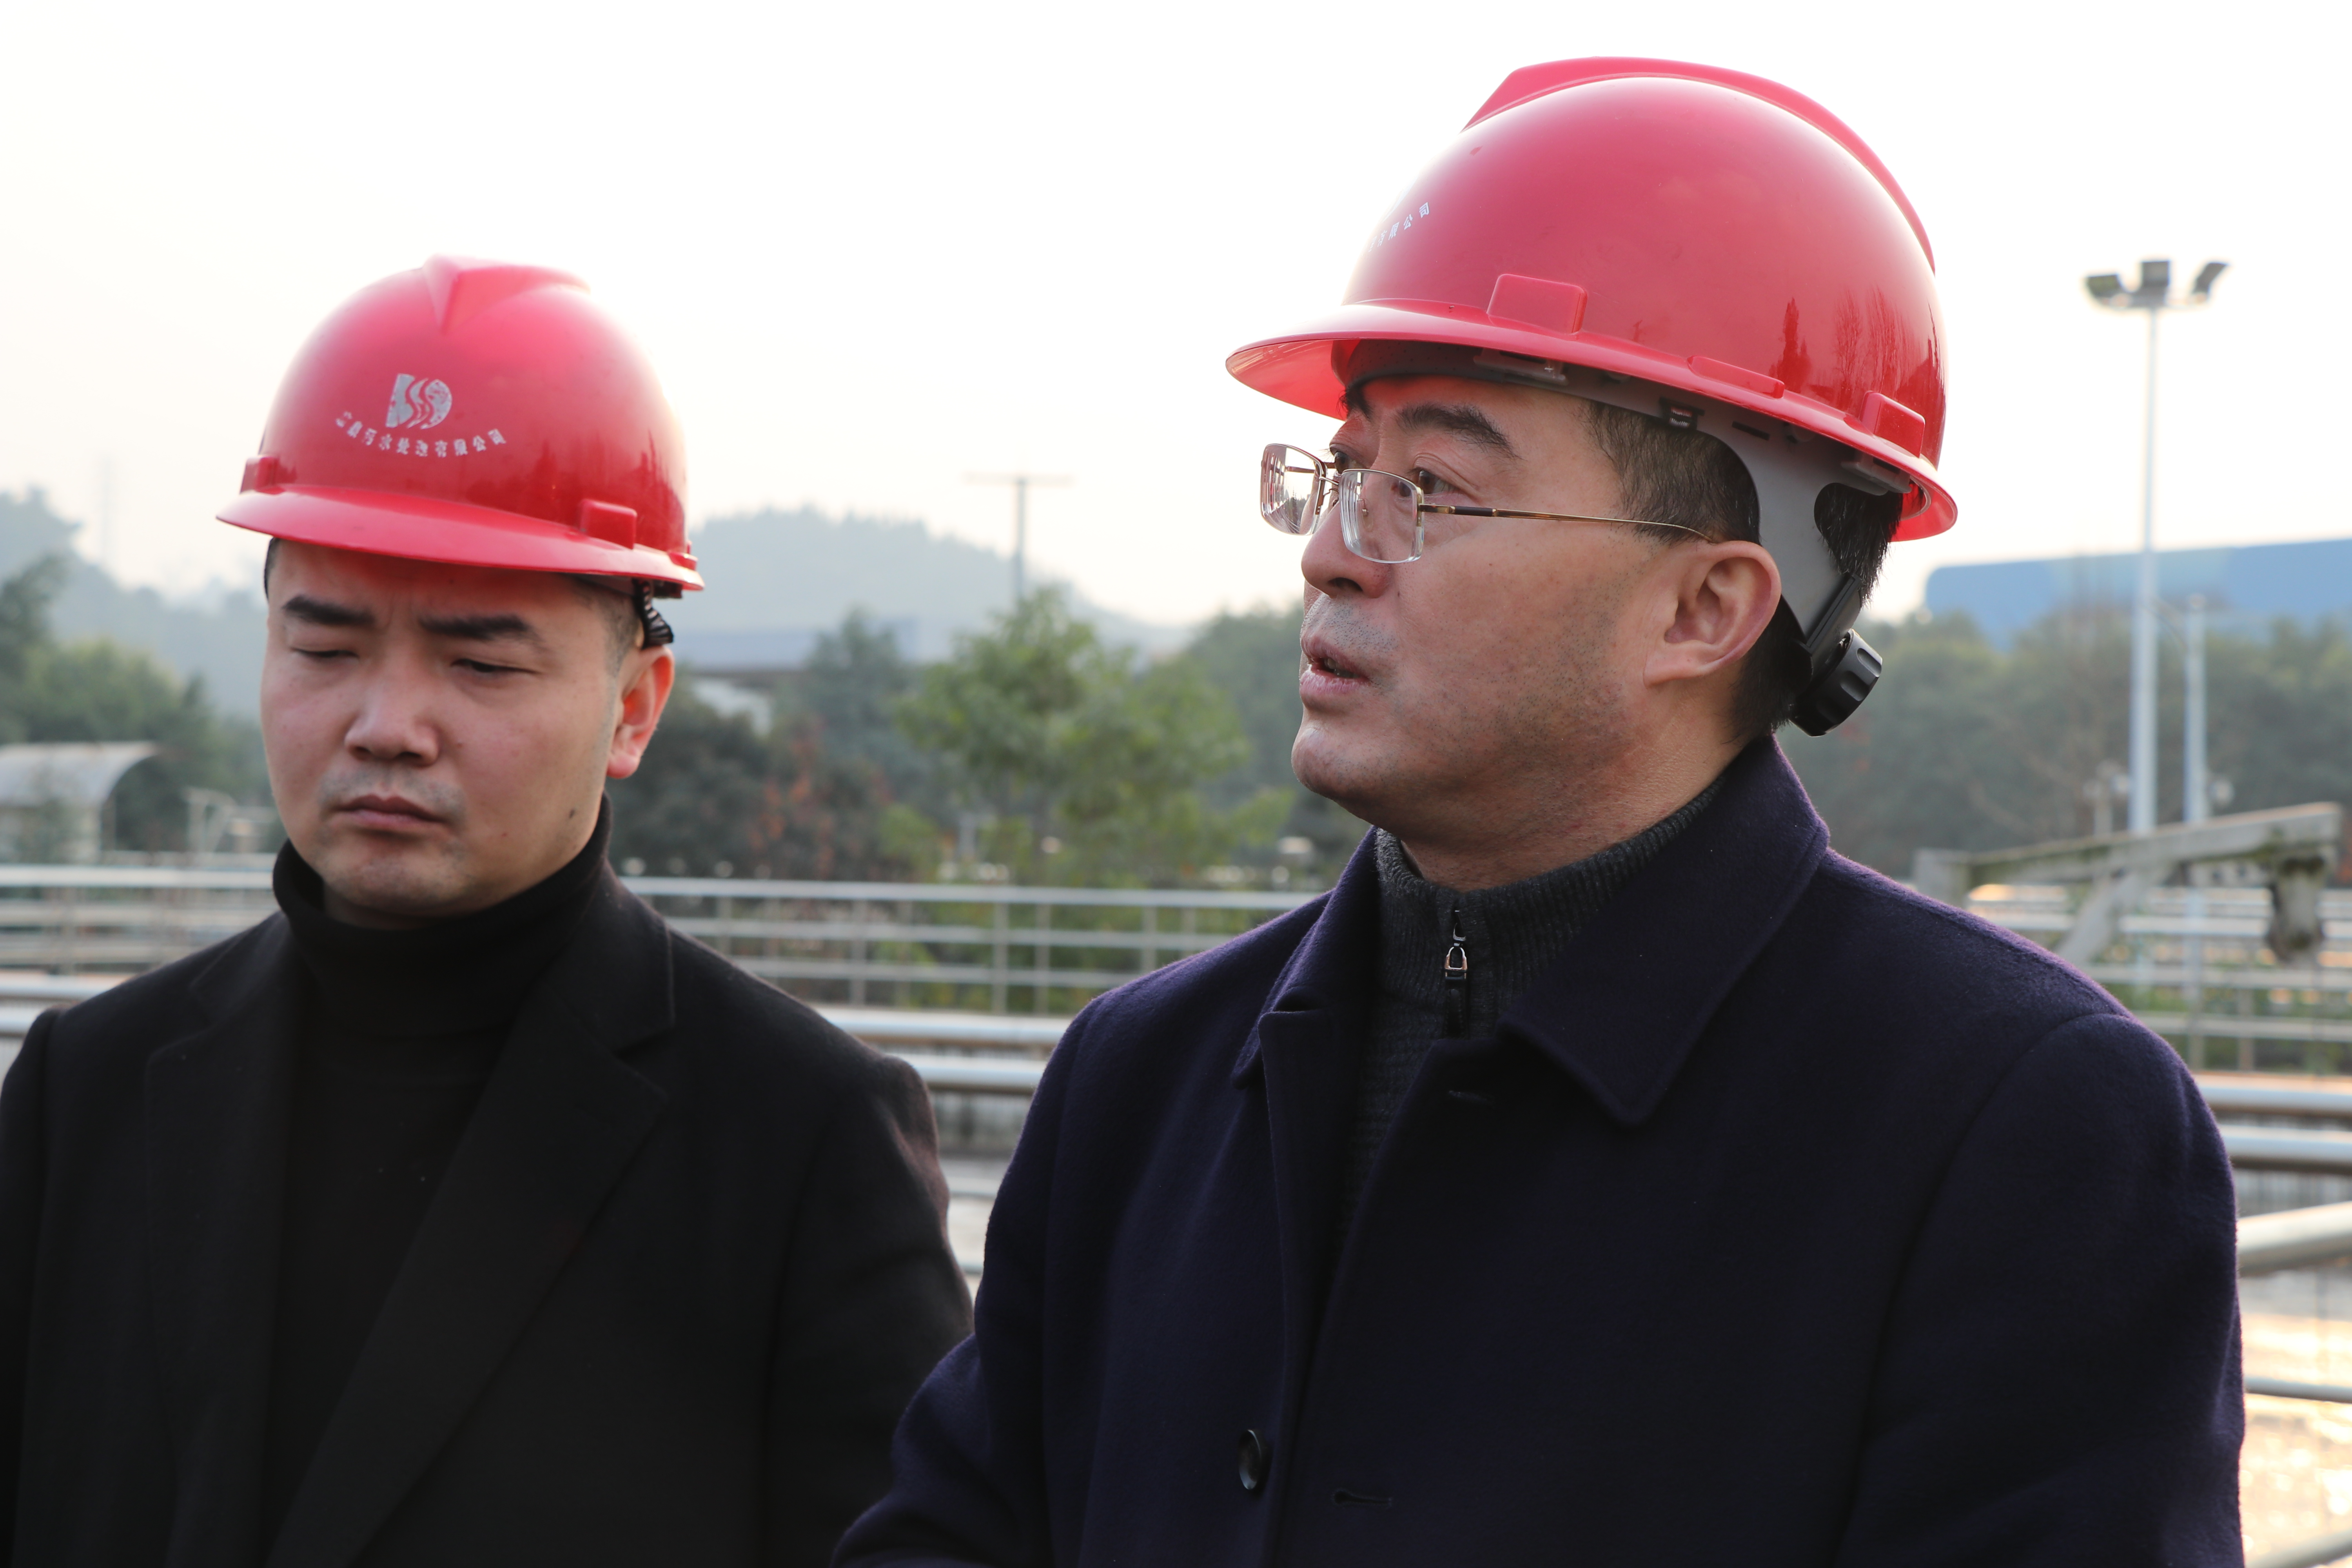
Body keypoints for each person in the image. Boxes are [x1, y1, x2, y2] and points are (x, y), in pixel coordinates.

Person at [838, 60, 2241, 1566]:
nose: (1330, 552)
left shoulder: (2018, 1132)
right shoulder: (1142, 1079)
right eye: (1345, 470)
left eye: (1433, 491)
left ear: (1704, 608)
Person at [0, 258, 971, 1566]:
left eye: (478, 661)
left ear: (634, 707)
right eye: (326, 647)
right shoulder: (86, 1094)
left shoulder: (799, 1147)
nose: (386, 725)